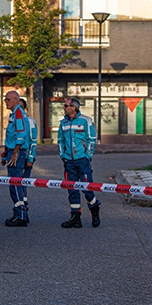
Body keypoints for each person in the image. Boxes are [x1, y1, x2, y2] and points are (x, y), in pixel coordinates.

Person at [57, 97, 101, 228]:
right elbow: (60, 140)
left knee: (87, 188)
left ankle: (94, 209)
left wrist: (88, 156)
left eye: (66, 106)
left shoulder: (86, 121)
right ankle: (75, 217)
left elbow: (92, 139)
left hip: (82, 160)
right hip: (68, 161)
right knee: (71, 189)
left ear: (74, 107)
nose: (64, 108)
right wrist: (63, 155)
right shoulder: (63, 122)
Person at [2, 90, 32, 227]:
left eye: (8, 99)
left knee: (15, 183)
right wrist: (5, 154)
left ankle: (20, 215)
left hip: (17, 152)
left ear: (16, 100)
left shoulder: (19, 113)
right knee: (14, 183)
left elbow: (21, 134)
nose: (6, 102)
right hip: (13, 151)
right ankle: (20, 213)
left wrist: (15, 152)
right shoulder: (14, 114)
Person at [16, 97, 38, 210]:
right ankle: (19, 209)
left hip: (25, 156)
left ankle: (23, 209)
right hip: (15, 157)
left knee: (23, 183)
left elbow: (33, 141)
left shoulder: (30, 121)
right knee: (15, 184)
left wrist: (30, 158)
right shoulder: (13, 120)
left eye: (20, 106)